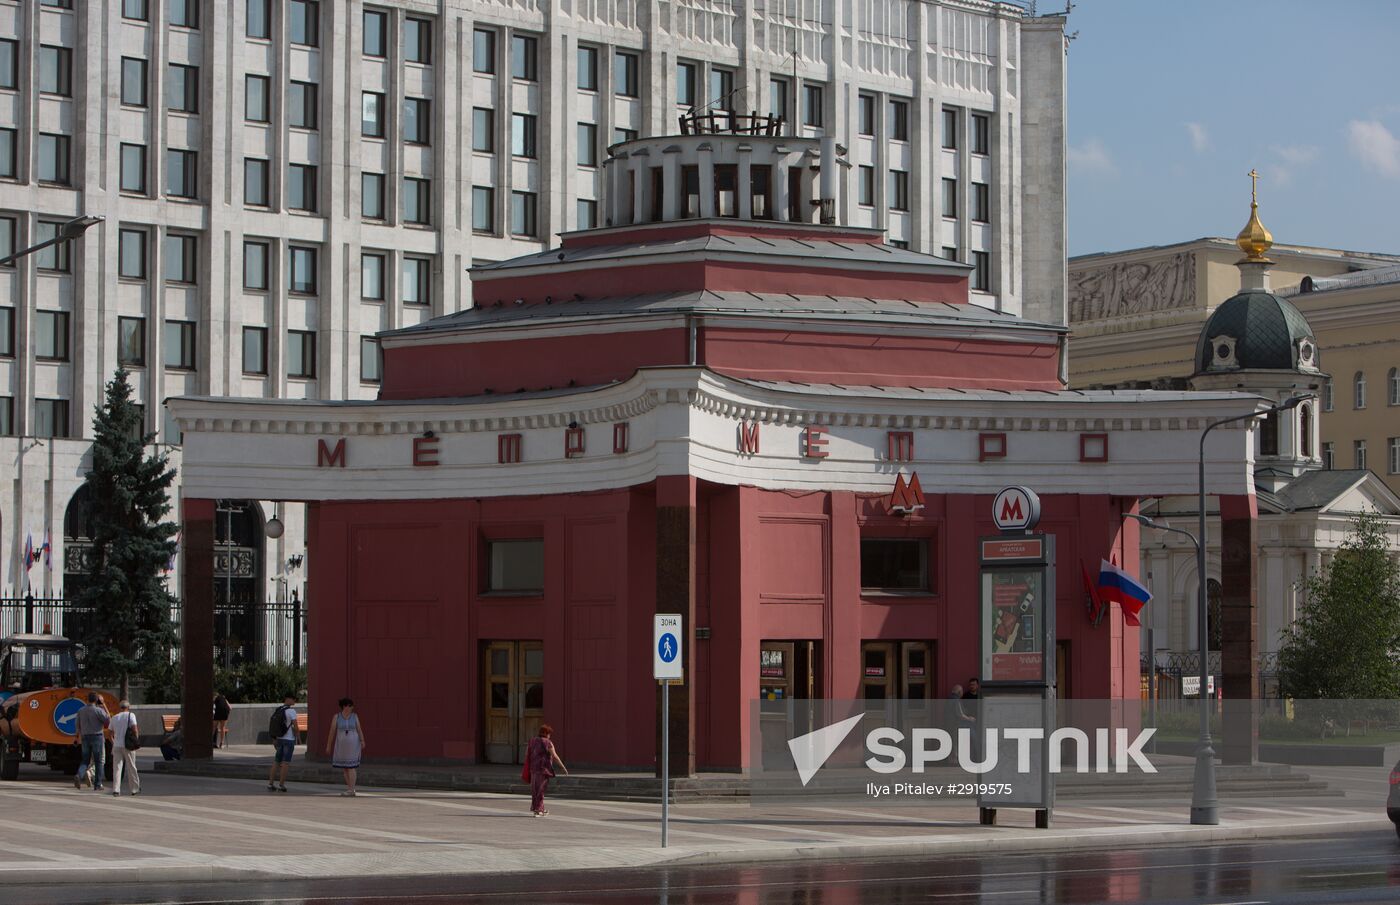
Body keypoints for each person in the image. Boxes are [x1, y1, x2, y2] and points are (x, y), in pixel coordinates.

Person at [325, 697, 366, 797]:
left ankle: (351, 789)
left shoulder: (354, 716)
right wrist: (328, 745)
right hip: (341, 744)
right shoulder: (336, 717)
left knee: (351, 766)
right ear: (343, 706)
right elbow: (332, 731)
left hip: (353, 744)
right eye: (348, 706)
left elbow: (359, 729)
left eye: (351, 706)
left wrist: (362, 740)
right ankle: (350, 788)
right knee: (345, 768)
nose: (350, 708)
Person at [526, 724, 567, 816]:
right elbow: (555, 756)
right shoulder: (548, 742)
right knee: (541, 790)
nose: (550, 735)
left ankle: (540, 808)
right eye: (549, 733)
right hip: (543, 769)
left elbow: (527, 754)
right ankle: (538, 810)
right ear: (546, 733)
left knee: (535, 790)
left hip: (533, 768)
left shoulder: (532, 741)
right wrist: (563, 767)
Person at [74, 693, 109, 791]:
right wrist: (104, 705)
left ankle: (79, 775)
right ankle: (97, 784)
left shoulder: (81, 711)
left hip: (85, 737)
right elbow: (107, 721)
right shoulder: (99, 710)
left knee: (85, 760)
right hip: (97, 736)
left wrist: (77, 737)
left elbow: (77, 725)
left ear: (87, 699)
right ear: (96, 700)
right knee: (99, 761)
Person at [267, 693, 298, 793]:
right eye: (293, 699)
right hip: (288, 740)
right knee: (285, 763)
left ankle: (270, 784)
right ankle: (281, 785)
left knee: (276, 761)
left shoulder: (279, 709)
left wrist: (274, 738)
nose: (294, 701)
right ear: (288, 699)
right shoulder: (291, 711)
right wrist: (297, 736)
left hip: (279, 739)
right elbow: (296, 726)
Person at [108, 700, 141, 797]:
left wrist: (113, 742)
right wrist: (135, 741)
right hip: (128, 746)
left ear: (120, 707)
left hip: (117, 745)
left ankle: (116, 790)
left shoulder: (114, 717)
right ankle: (134, 789)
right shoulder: (131, 715)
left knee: (117, 768)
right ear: (128, 707)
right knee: (131, 767)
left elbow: (109, 734)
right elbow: (135, 729)